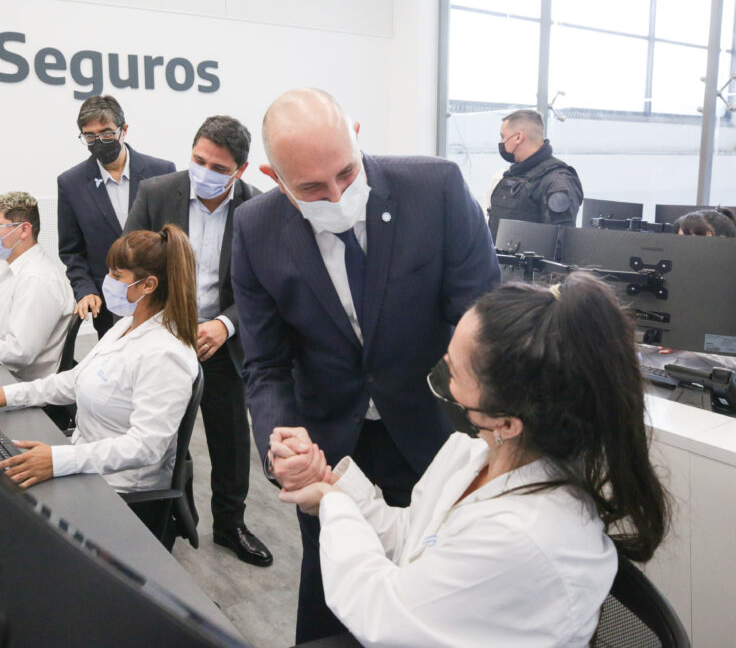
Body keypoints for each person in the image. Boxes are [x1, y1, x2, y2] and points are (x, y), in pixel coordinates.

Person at [230, 87, 501, 642]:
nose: (335, 194)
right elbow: (265, 364)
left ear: (355, 135)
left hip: (439, 435)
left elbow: (485, 322)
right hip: (329, 448)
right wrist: (284, 445)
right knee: (333, 598)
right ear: (273, 176)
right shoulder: (255, 228)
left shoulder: (437, 189)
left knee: (435, 600)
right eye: (311, 187)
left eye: (346, 175)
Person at [272, 273, 671, 646]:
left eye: (455, 371)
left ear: (508, 422)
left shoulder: (522, 533)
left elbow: (380, 612)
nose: (442, 374)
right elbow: (414, 539)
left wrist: (336, 506)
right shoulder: (478, 453)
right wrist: (331, 485)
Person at [0, 226, 200, 538]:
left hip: (120, 494)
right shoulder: (126, 325)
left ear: (149, 284)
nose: (106, 282)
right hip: (88, 467)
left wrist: (58, 460)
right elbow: (77, 380)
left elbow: (146, 446)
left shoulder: (165, 354)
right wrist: (11, 394)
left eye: (117, 275)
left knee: (3, 515)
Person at [124, 116, 272, 567]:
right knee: (167, 435)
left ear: (240, 171)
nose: (204, 171)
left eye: (218, 167)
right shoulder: (157, 193)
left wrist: (226, 324)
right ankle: (175, 515)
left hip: (222, 343)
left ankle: (230, 525)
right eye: (198, 160)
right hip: (163, 336)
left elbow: (267, 287)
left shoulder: (259, 209)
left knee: (230, 441)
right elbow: (131, 260)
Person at [58, 95, 177, 338]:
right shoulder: (71, 183)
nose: (98, 141)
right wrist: (85, 290)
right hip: (109, 304)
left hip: (162, 299)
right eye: (89, 136)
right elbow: (72, 251)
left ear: (124, 130)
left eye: (106, 133)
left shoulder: (162, 172)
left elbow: (176, 239)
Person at [0, 191, 74, 382]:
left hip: (20, 384)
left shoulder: (37, 279)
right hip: (3, 372)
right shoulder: (8, 267)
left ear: (23, 230)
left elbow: (19, 352)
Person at [488, 108, 584, 239]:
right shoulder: (513, 174)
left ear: (518, 137)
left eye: (503, 136)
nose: (501, 142)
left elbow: (561, 243)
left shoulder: (557, 181)